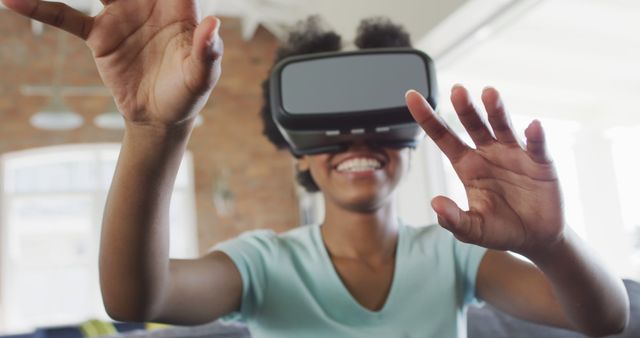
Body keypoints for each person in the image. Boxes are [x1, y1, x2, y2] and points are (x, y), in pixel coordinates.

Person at [1, 1, 630, 337]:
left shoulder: (456, 256)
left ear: (411, 138)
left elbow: (605, 321)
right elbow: (137, 297)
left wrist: (552, 242)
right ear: (296, 147)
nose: (355, 137)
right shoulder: (265, 265)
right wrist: (153, 130)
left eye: (377, 120)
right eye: (329, 127)